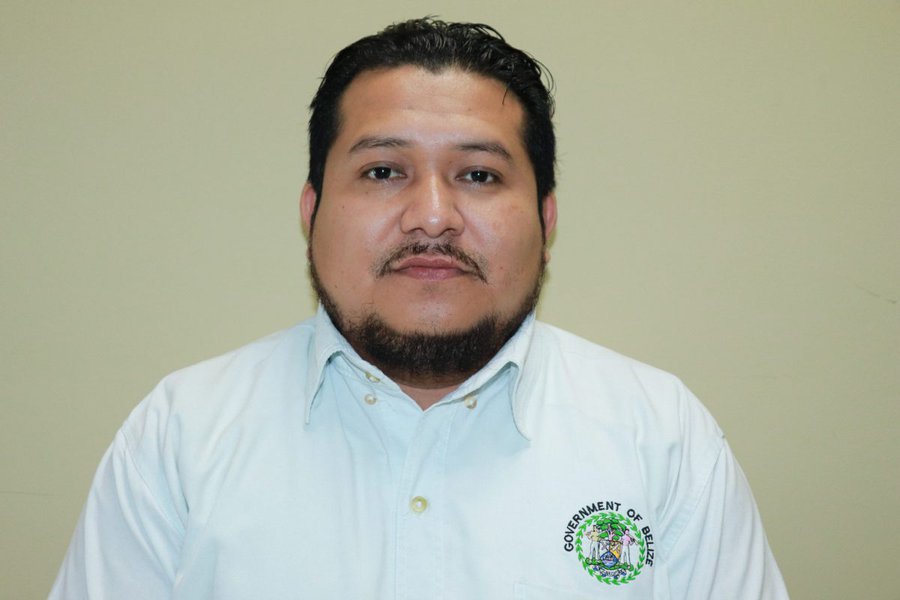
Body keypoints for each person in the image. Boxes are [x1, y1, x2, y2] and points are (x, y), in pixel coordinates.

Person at [50, 18, 789, 599]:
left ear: (547, 217)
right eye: (383, 171)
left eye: (478, 174)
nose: (432, 216)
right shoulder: (181, 436)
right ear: (311, 211)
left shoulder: (662, 436)